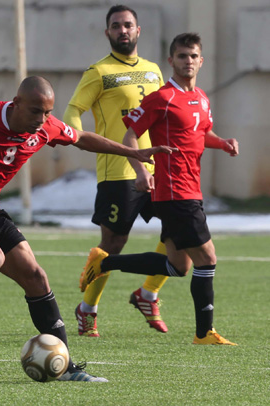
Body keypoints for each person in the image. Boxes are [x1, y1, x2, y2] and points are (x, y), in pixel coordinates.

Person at [0, 76, 176, 382]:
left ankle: (67, 368)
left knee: (36, 277)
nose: (41, 120)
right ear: (15, 104)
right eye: (34, 112)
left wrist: (132, 153)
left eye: (47, 113)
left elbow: (82, 138)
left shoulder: (46, 127)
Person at [80, 33, 239, 345]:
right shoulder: (161, 97)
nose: (188, 62)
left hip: (192, 189)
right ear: (171, 61)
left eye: (193, 56)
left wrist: (224, 143)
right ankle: (204, 333)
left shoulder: (202, 98)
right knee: (207, 258)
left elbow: (202, 132)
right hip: (173, 191)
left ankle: (104, 263)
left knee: (178, 266)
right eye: (182, 56)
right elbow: (130, 138)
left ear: (201, 60)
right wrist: (141, 171)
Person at [64, 4, 170, 337]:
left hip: (157, 166)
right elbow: (72, 111)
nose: (123, 30)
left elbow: (165, 116)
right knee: (113, 245)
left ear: (138, 31)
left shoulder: (154, 70)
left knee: (182, 231)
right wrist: (76, 137)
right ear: (107, 32)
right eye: (116, 26)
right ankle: (88, 310)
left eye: (128, 25)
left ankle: (148, 294)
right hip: (118, 171)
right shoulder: (99, 71)